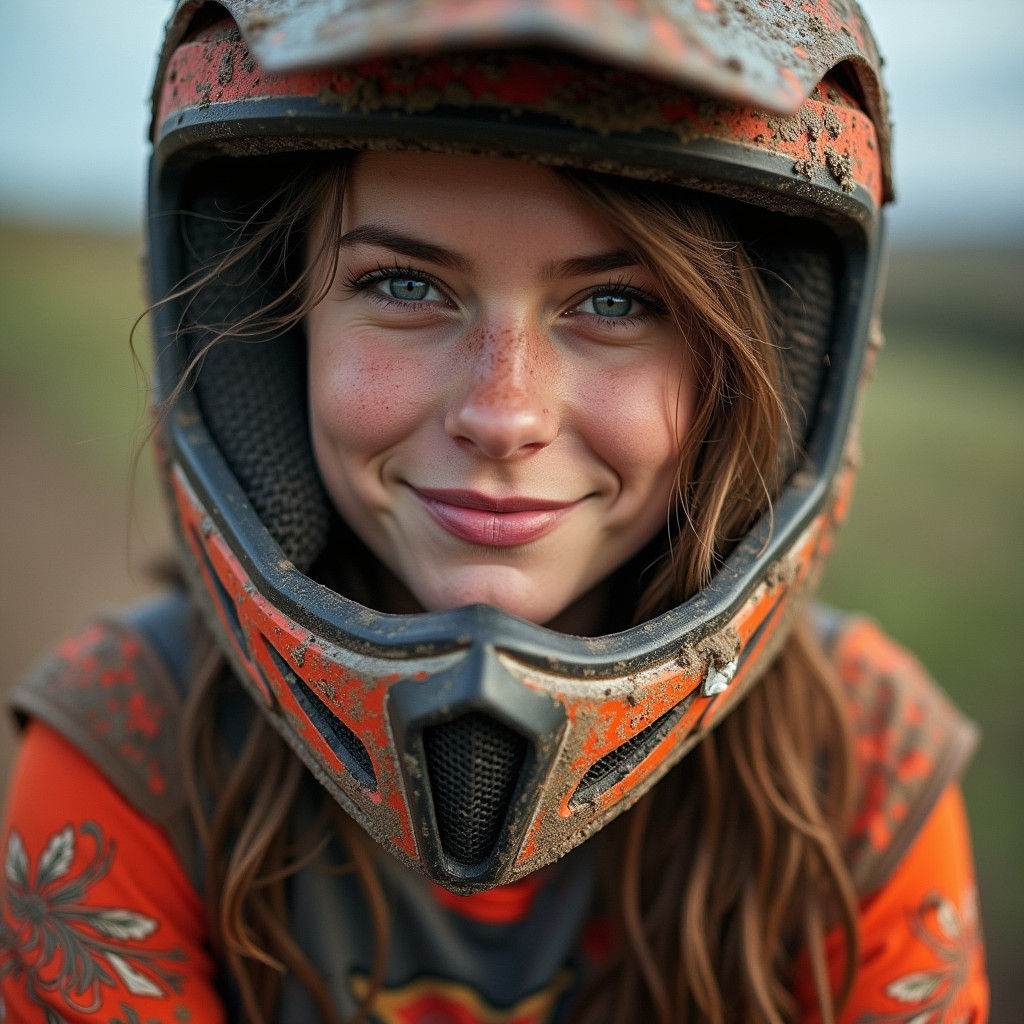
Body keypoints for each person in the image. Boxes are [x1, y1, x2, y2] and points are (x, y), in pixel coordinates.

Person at [0, 2, 989, 1022]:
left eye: (614, 303)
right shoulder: (130, 747)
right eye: (403, 283)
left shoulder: (863, 773)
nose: (502, 413)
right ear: (276, 325)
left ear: (751, 368)